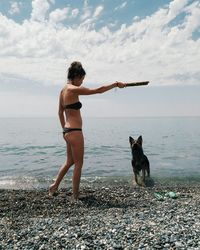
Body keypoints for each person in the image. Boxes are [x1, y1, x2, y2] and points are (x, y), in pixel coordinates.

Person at [49, 61, 126, 200]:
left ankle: (54, 185)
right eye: (82, 79)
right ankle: (76, 195)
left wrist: (63, 131)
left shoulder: (63, 90)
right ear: (76, 76)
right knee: (79, 163)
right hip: (75, 131)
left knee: (69, 161)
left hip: (67, 130)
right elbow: (98, 90)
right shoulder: (73, 89)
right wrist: (115, 84)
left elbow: (60, 112)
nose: (82, 81)